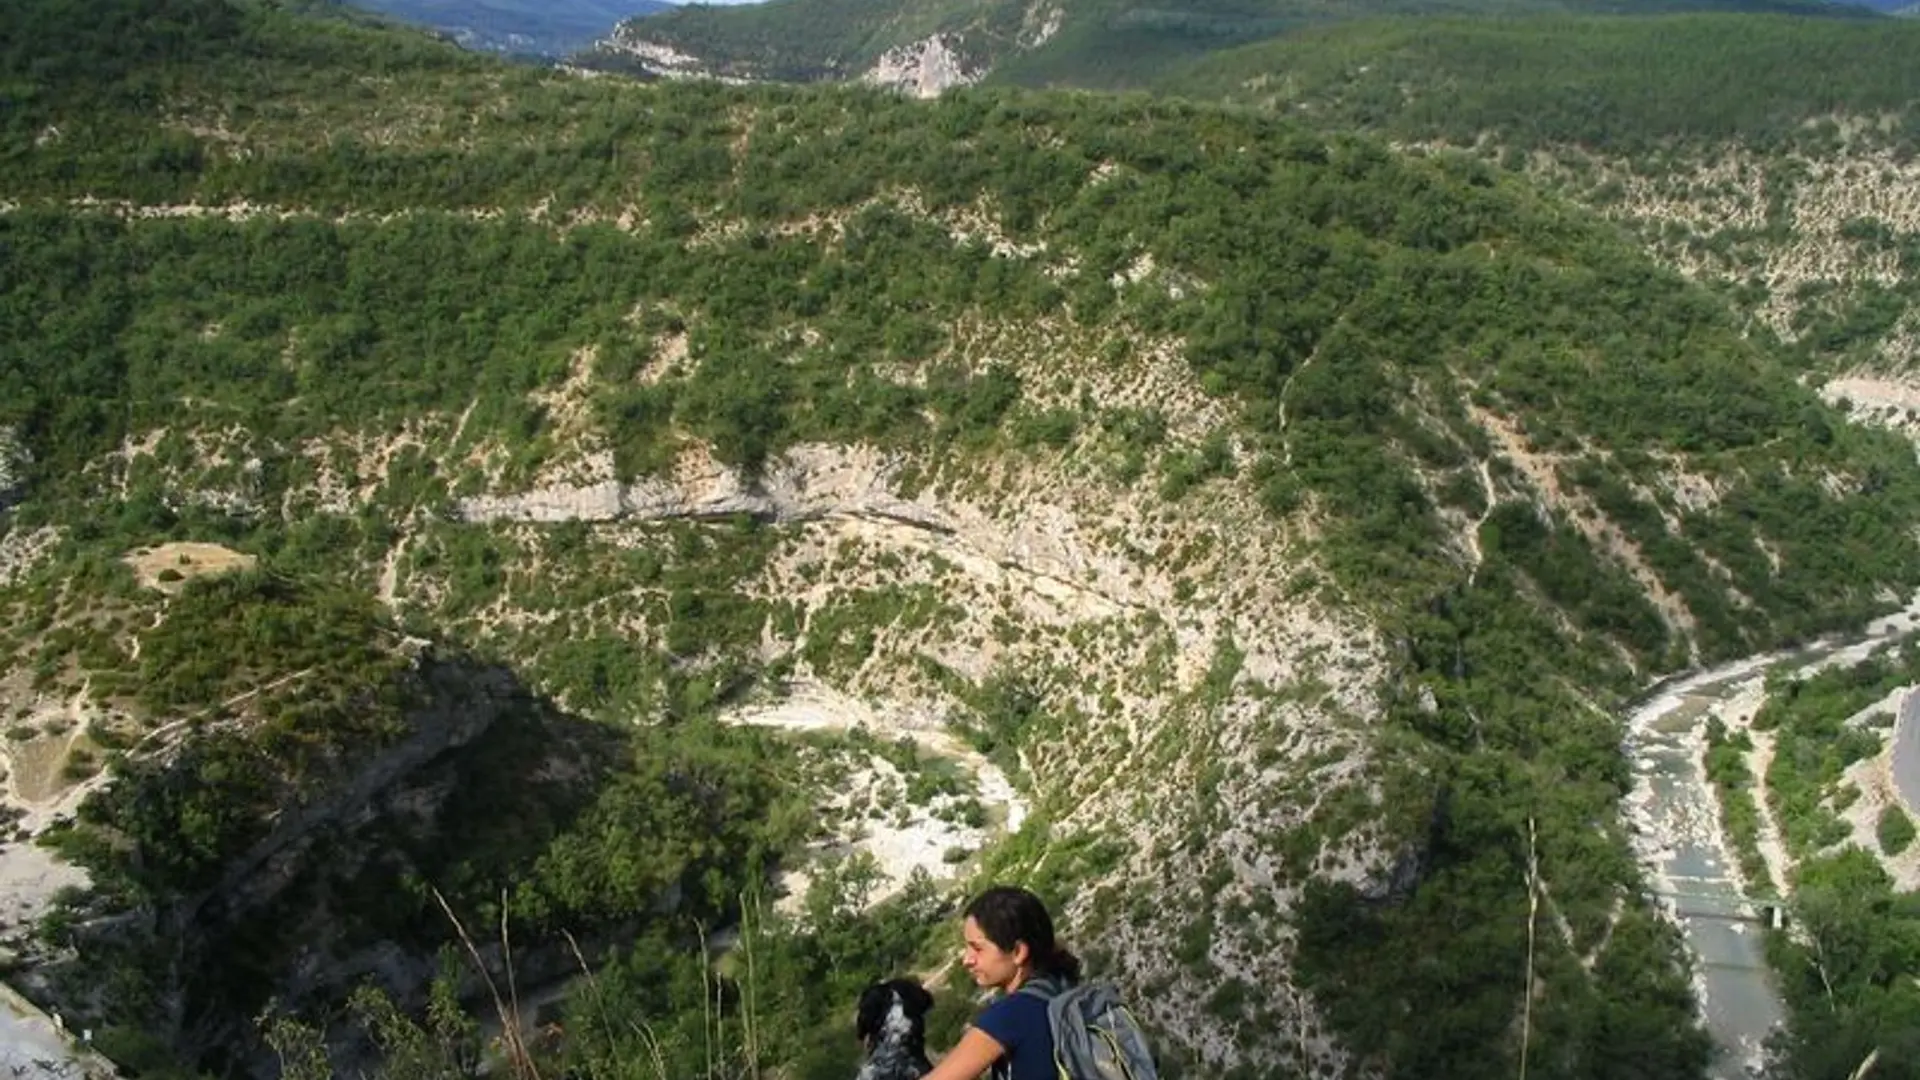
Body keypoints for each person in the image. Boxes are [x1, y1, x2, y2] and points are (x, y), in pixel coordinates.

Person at [921, 885, 1082, 1080]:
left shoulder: (1011, 1015)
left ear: (1018, 952)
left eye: (977, 949)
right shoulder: (1064, 990)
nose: (967, 959)